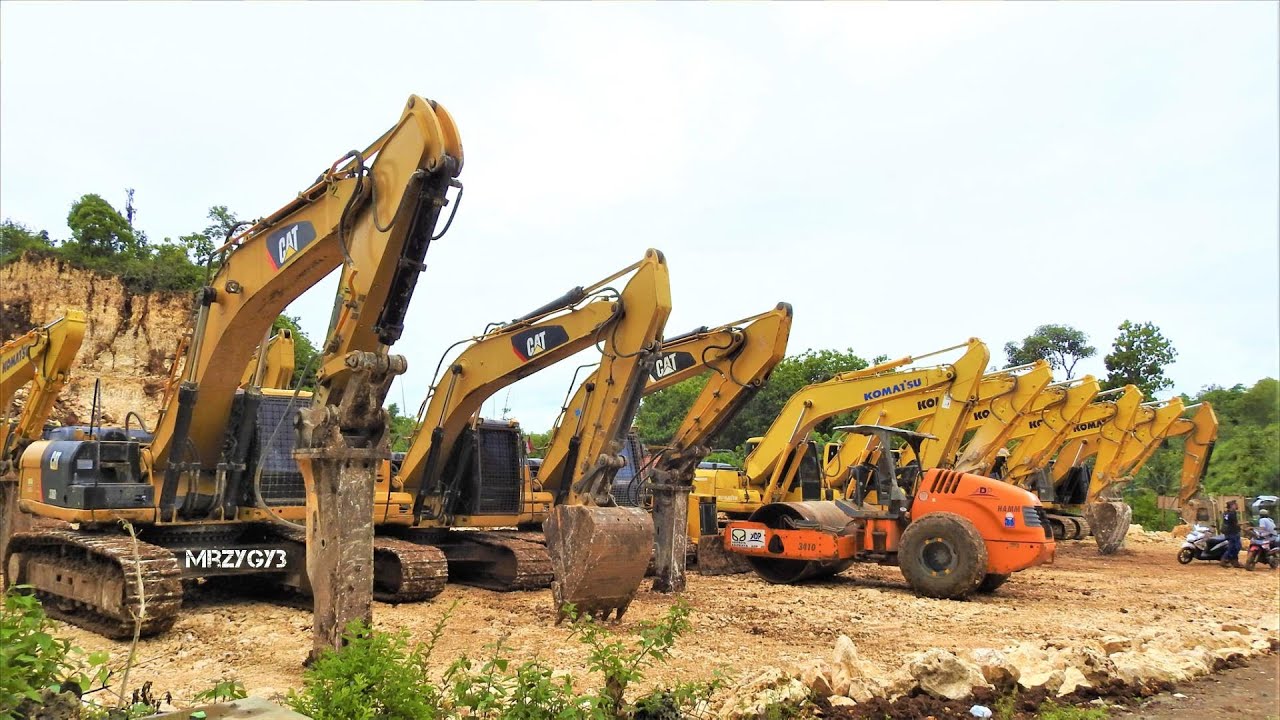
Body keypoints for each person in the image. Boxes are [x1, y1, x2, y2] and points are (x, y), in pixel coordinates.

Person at [1220, 500, 1242, 567]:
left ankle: (1234, 561)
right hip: (1233, 532)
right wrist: (1243, 525)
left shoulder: (1225, 513)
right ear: (1232, 506)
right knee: (1236, 547)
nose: (1237, 506)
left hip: (1227, 532)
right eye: (1235, 504)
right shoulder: (1233, 513)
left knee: (1233, 546)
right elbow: (1234, 524)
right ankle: (1225, 559)